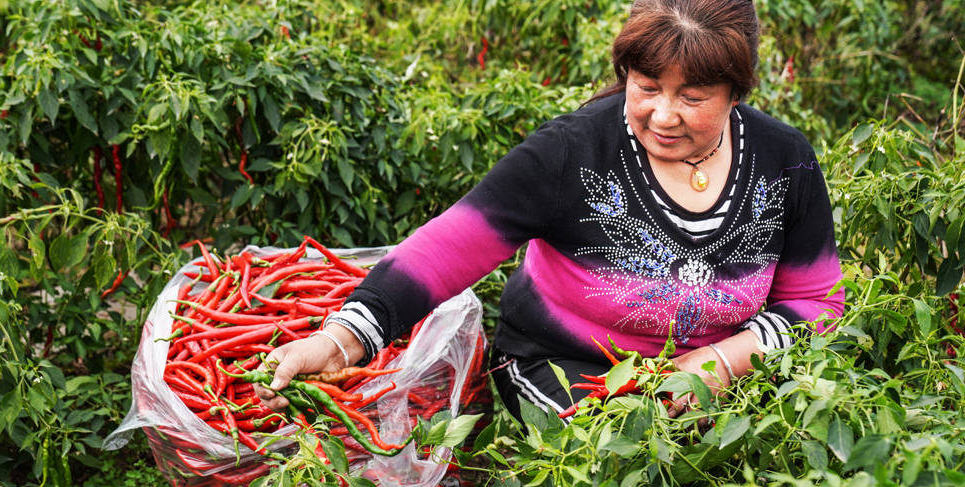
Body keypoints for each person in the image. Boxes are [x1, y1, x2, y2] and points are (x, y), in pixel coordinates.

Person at [257, 0, 844, 421]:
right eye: (645, 87)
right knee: (623, 462)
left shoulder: (783, 159)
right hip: (567, 369)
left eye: (692, 98)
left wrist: (715, 365)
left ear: (736, 94)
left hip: (730, 371)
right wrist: (340, 340)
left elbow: (815, 302)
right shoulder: (571, 153)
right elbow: (446, 250)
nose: (663, 116)